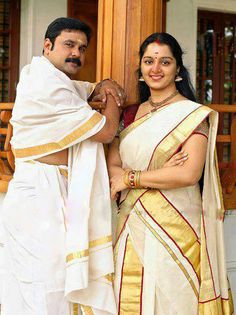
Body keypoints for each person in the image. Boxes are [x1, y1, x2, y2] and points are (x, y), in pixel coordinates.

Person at [1, 17, 125, 315]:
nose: (76, 54)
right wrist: (113, 98)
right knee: (43, 282)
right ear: (48, 45)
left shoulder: (50, 79)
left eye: (82, 48)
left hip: (55, 188)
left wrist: (101, 84)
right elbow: (107, 132)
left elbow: (84, 90)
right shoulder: (45, 84)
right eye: (69, 45)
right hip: (39, 195)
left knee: (53, 282)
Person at [107, 32, 234, 314]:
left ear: (178, 69)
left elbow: (188, 174)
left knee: (174, 296)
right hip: (132, 219)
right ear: (140, 68)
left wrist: (132, 178)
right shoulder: (129, 115)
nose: (156, 69)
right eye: (149, 61)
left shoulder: (191, 115)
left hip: (177, 222)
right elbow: (113, 163)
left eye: (165, 62)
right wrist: (158, 174)